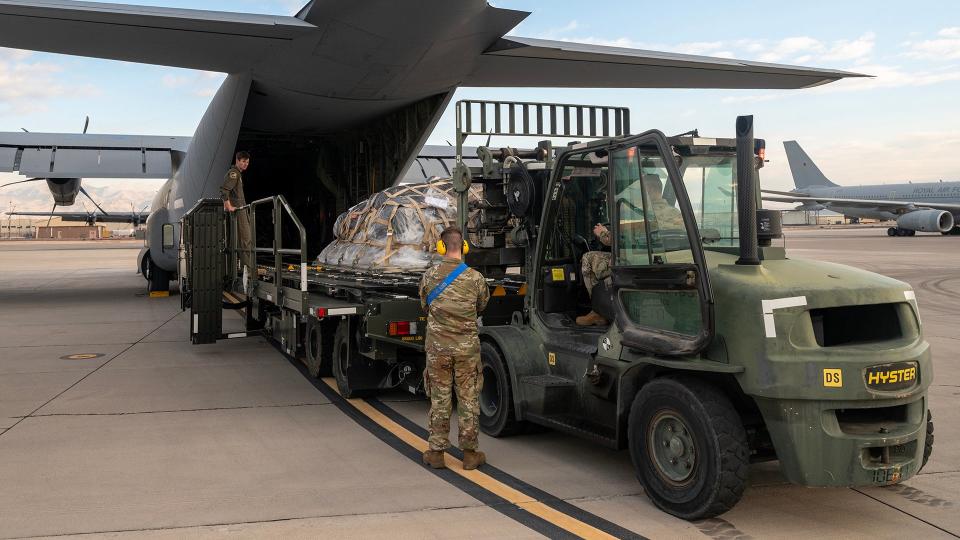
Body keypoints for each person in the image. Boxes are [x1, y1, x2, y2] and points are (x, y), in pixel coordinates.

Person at [418, 226, 490, 470]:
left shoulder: (429, 276)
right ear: (464, 247)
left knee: (440, 398)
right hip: (466, 350)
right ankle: (470, 454)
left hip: (438, 349)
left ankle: (436, 453)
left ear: (441, 247)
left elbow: (424, 307)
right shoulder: (476, 278)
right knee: (468, 398)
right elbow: (481, 307)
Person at [576, 173, 683, 326]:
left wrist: (602, 233)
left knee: (588, 257)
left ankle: (599, 312)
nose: (640, 196)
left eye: (642, 191)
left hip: (639, 264)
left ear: (651, 190)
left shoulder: (647, 216)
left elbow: (618, 241)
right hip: (666, 263)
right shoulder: (675, 214)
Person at [221, 151, 252, 275]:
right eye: (243, 161)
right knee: (245, 239)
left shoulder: (238, 174)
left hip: (241, 210)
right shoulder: (234, 174)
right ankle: (248, 271)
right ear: (237, 161)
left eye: (247, 162)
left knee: (241, 240)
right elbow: (224, 190)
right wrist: (228, 206)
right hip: (239, 212)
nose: (245, 164)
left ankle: (241, 269)